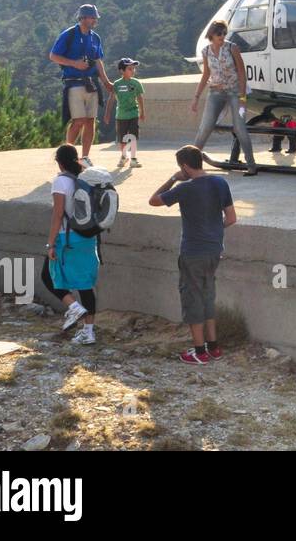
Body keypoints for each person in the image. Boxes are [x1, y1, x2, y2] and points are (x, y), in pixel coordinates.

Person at [148, 145, 238, 364]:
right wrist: (215, 231)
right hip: (214, 250)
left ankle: (199, 352)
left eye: (181, 167)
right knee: (208, 296)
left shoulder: (185, 188)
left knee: (192, 300)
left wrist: (172, 178)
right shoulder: (220, 183)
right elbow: (232, 218)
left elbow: (154, 200)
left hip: (193, 252)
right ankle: (213, 346)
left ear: (185, 166)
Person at [43, 144, 100, 345]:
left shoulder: (60, 181)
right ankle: (88, 332)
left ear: (59, 162)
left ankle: (74, 308)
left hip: (66, 239)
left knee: (48, 277)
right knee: (86, 286)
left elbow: (58, 214)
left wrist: (50, 244)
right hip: (88, 237)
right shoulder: (84, 178)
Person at [48, 4, 114, 167]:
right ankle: (66, 158)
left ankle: (84, 158)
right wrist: (74, 64)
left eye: (95, 17)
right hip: (74, 83)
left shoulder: (95, 37)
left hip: (92, 84)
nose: (95, 20)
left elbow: (98, 61)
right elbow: (53, 56)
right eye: (92, 17)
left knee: (91, 121)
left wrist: (106, 82)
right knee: (78, 121)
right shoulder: (69, 35)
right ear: (82, 18)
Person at [191, 20, 256, 176]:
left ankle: (251, 165)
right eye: (219, 33)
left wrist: (242, 97)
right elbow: (206, 74)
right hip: (216, 92)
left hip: (235, 92)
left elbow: (241, 72)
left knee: (240, 127)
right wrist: (196, 97)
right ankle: (190, 164)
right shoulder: (206, 51)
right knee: (205, 127)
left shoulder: (232, 48)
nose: (222, 36)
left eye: (224, 33)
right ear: (211, 34)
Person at [105, 57, 146, 169]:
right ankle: (124, 156)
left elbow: (140, 98)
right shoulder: (117, 84)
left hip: (133, 114)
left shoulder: (136, 83)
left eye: (133, 68)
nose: (133, 71)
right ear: (122, 71)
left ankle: (133, 159)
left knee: (132, 137)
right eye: (129, 69)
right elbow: (111, 99)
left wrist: (142, 112)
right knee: (122, 138)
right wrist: (107, 114)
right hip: (121, 116)